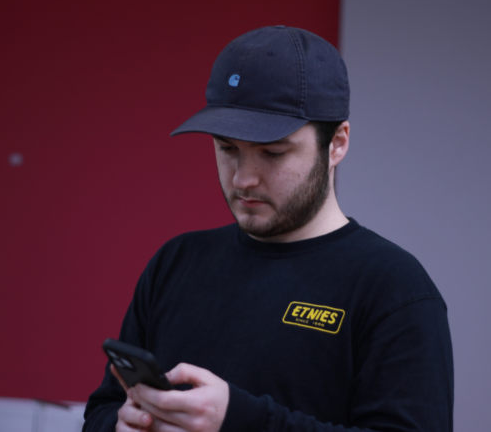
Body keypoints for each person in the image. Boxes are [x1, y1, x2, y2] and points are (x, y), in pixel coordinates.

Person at [83, 26, 453, 432]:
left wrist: (237, 420)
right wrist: (123, 426)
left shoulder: (394, 287)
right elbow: (103, 410)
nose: (243, 178)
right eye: (227, 149)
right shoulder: (176, 263)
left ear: (338, 143)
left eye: (272, 152)